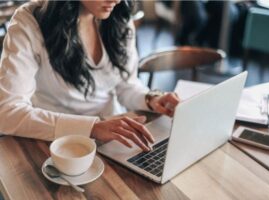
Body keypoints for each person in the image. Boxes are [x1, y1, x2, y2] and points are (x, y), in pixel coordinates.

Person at [0, 0, 179, 152]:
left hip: (116, 138)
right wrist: (92, 127)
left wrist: (151, 99)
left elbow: (126, 86)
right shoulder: (29, 22)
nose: (116, 1)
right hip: (57, 145)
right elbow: (8, 113)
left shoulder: (119, 16)